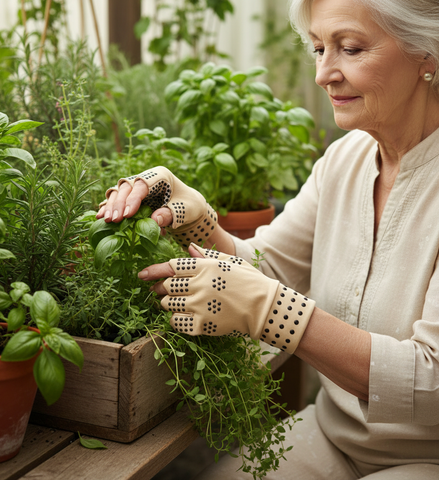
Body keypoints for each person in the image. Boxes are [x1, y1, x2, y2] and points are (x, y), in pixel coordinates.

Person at [96, 0, 439, 477]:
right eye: (319, 48)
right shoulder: (345, 161)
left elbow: (431, 379)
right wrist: (199, 223)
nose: (324, 73)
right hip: (334, 433)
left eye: (351, 48)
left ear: (428, 51)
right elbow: (268, 269)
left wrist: (273, 310)